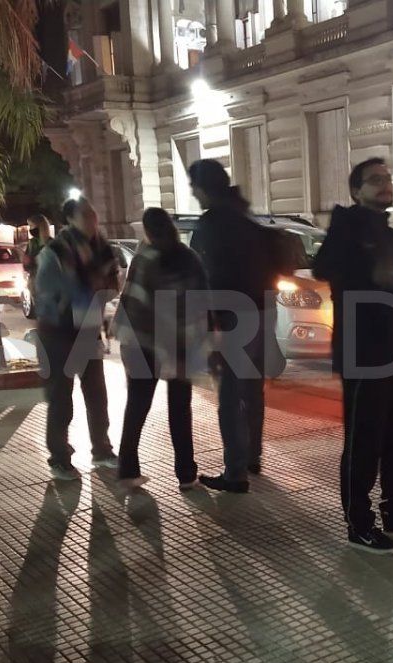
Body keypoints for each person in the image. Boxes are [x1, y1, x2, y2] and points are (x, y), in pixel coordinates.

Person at [312, 157, 393, 555]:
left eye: (388, 178)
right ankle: (359, 523)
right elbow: (322, 268)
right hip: (363, 352)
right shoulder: (347, 230)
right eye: (375, 179)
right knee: (364, 440)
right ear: (356, 191)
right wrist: (345, 228)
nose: (385, 184)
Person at [188, 158, 279, 494]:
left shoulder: (211, 224)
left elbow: (202, 276)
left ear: (204, 187)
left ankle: (235, 472)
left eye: (194, 186)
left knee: (229, 396)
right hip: (261, 312)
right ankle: (253, 456)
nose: (193, 193)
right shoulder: (245, 216)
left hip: (231, 319)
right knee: (253, 391)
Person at [116, 207, 209, 491]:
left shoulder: (144, 258)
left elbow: (131, 301)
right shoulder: (188, 258)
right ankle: (186, 474)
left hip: (141, 344)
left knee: (137, 406)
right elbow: (202, 302)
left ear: (147, 231)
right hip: (179, 345)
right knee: (180, 410)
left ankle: (128, 470)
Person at [34, 197, 120, 481]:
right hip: (58, 333)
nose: (92, 219)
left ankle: (102, 450)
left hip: (88, 330)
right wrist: (76, 299)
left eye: (93, 213)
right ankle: (59, 457)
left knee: (97, 395)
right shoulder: (55, 252)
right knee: (61, 398)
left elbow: (112, 283)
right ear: (70, 219)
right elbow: (45, 293)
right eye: (85, 214)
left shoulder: (102, 249)